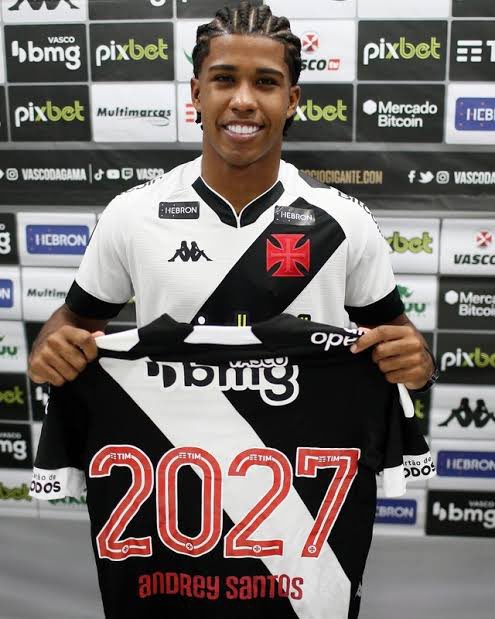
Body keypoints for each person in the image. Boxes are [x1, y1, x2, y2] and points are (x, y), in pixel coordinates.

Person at [28, 0, 435, 392]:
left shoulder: (345, 221)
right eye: (224, 79)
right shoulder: (132, 214)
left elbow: (398, 338)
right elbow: (73, 323)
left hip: (305, 440)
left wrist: (419, 366)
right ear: (197, 94)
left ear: (291, 100)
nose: (243, 101)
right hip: (174, 440)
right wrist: (49, 350)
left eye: (265, 82)